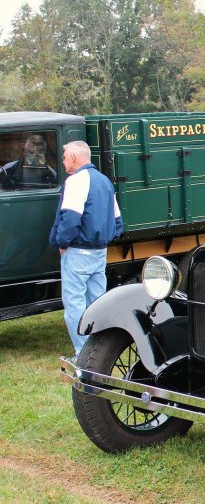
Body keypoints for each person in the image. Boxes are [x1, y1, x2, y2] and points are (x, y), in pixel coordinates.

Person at [49, 141, 122, 359]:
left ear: (73, 157)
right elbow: (117, 220)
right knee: (97, 303)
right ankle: (100, 354)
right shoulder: (105, 181)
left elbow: (70, 218)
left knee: (74, 304)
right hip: (100, 251)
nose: (62, 162)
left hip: (78, 251)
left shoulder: (76, 181)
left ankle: (82, 354)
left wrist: (61, 243)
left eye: (63, 158)